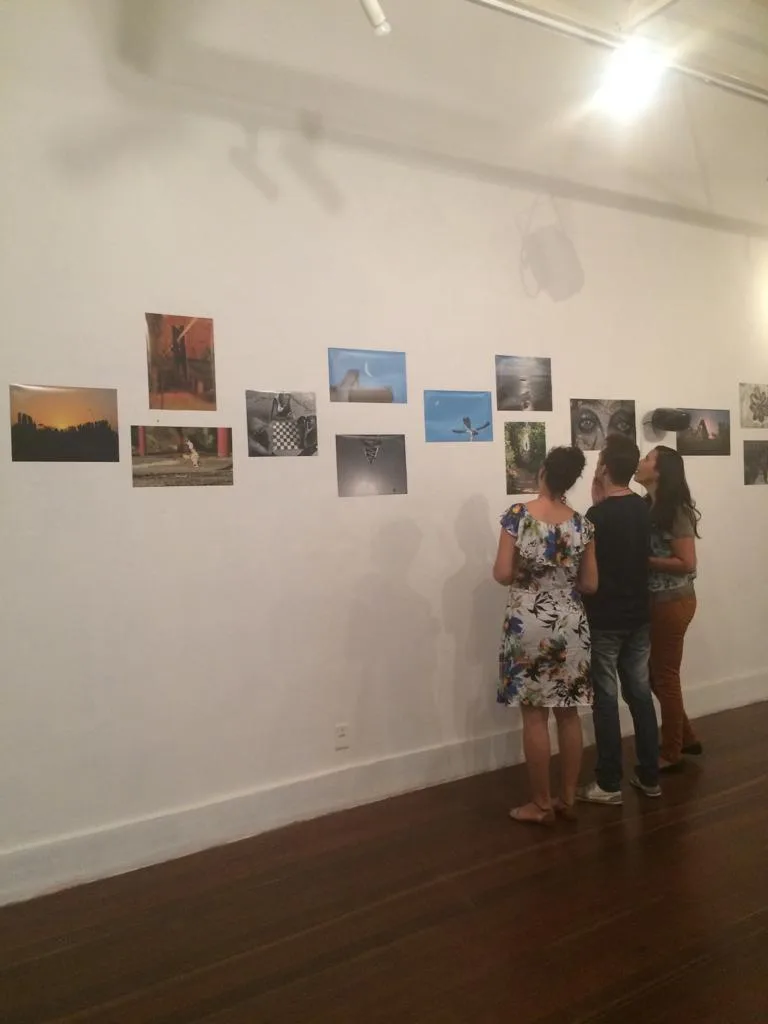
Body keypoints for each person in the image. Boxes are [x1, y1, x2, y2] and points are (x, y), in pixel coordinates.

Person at [493, 446, 598, 826]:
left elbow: (503, 573)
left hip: (529, 621)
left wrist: (528, 571)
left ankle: (540, 804)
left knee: (535, 716)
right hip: (570, 622)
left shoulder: (518, 517)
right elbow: (590, 583)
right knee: (569, 715)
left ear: (542, 473)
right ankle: (567, 795)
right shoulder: (582, 524)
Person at [576, 436, 660, 806]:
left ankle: (609, 782)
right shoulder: (644, 509)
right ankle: (649, 775)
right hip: (638, 615)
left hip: (605, 618)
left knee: (607, 699)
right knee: (640, 694)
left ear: (605, 469)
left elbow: (589, 569)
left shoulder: (597, 516)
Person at [635, 446, 701, 771]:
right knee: (654, 676)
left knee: (663, 676)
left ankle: (672, 751)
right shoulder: (651, 506)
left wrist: (643, 561)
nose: (640, 462)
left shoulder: (673, 510)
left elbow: (687, 562)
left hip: (672, 602)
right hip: (660, 602)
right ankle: (685, 735)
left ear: (659, 471)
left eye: (647, 459)